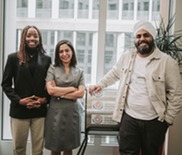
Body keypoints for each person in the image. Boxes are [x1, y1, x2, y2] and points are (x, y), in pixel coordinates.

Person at [89, 20, 182, 155]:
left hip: (154, 121)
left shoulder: (167, 62)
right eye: (138, 36)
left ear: (152, 38)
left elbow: (176, 94)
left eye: (146, 35)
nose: (142, 39)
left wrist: (167, 120)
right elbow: (115, 73)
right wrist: (100, 84)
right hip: (129, 118)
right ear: (135, 39)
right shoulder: (127, 57)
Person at [1, 25, 52, 155]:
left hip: (39, 110)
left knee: (38, 150)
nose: (32, 38)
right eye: (28, 35)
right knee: (19, 149)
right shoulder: (13, 58)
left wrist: (44, 99)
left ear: (39, 39)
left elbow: (50, 83)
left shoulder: (47, 59)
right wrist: (19, 101)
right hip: (19, 110)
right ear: (23, 38)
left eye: (35, 36)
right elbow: (6, 84)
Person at [44, 40, 85, 155]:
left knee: (69, 147)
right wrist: (72, 88)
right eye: (60, 51)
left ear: (72, 52)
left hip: (72, 113)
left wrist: (60, 93)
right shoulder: (52, 69)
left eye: (67, 50)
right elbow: (51, 90)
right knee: (55, 147)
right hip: (55, 112)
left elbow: (81, 93)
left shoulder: (80, 72)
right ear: (57, 54)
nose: (64, 53)